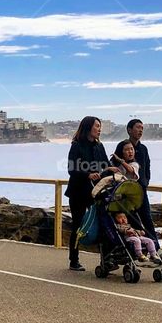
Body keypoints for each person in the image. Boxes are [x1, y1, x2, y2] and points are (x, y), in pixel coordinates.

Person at [64, 116, 114, 271]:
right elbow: (71, 169)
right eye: (97, 126)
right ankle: (74, 260)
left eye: (100, 126)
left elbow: (105, 165)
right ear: (88, 127)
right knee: (78, 225)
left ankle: (106, 260)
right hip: (78, 191)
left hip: (96, 191)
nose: (99, 129)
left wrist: (111, 170)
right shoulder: (77, 145)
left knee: (103, 223)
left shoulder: (99, 146)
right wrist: (87, 174)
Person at [114, 119, 159, 251]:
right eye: (138, 127)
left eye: (142, 128)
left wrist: (145, 182)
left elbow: (147, 168)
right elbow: (115, 166)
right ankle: (134, 250)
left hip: (140, 191)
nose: (140, 130)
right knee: (132, 221)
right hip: (126, 194)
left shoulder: (143, 149)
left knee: (147, 219)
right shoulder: (122, 146)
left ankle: (156, 248)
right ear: (129, 130)